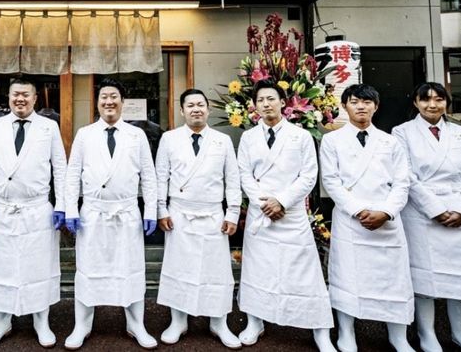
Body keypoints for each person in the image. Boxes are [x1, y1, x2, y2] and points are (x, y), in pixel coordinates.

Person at [236, 79, 334, 351]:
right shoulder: (248, 138)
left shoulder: (300, 136)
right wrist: (264, 203)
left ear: (283, 102)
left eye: (271, 99)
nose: (266, 104)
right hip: (261, 213)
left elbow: (309, 175)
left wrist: (282, 201)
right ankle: (255, 321)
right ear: (254, 107)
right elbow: (244, 174)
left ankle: (319, 329)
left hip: (291, 215)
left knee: (304, 273)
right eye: (260, 100)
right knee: (258, 272)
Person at [0, 78, 67, 348]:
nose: (20, 99)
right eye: (15, 94)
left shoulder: (49, 127)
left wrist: (62, 205)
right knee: (2, 267)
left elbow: (60, 168)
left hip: (37, 208)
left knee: (39, 266)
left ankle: (41, 321)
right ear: (9, 97)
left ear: (35, 99)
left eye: (26, 94)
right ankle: (1, 321)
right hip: (4, 207)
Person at [64, 78, 157, 350]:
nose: (109, 101)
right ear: (97, 102)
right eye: (104, 96)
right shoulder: (85, 134)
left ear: (122, 102)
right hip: (93, 213)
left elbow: (149, 176)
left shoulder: (136, 135)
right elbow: (72, 175)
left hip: (126, 213)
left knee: (131, 269)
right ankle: (82, 325)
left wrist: (151, 210)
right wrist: (70, 208)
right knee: (88, 269)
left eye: (114, 96)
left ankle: (136, 324)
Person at [319, 84, 414, 352]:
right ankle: (346, 332)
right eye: (354, 102)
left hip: (386, 219)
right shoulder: (332, 141)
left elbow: (402, 182)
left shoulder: (390, 141)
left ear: (376, 106)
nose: (361, 106)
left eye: (367, 102)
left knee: (393, 279)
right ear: (344, 106)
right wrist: (358, 210)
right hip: (351, 219)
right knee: (347, 277)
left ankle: (398, 335)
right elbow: (331, 181)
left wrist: (386, 211)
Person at [392, 82, 461, 352]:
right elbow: (405, 175)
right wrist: (435, 209)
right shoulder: (401, 132)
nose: (432, 105)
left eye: (439, 99)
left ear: (447, 102)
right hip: (423, 213)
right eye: (425, 99)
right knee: (424, 278)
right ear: (415, 103)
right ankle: (427, 335)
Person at [155, 88, 242, 348]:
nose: (196, 109)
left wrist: (233, 212)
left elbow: (233, 179)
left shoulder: (222, 140)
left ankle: (219, 322)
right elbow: (161, 177)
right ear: (182, 111)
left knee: (216, 270)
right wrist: (161, 210)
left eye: (200, 104)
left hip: (213, 214)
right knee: (179, 268)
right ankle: (178, 321)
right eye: (190, 105)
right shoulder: (169, 139)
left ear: (208, 108)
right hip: (179, 214)